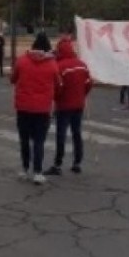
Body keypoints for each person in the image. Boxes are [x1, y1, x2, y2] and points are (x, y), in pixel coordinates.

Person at [11, 32, 61, 185]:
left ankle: (25, 169)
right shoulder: (52, 65)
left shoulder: (21, 61)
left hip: (23, 107)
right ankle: (38, 172)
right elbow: (58, 85)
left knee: (24, 140)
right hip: (42, 109)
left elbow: (13, 79)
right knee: (39, 141)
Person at [44, 36, 92, 176]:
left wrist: (56, 98)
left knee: (61, 135)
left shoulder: (59, 67)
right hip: (79, 105)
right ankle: (77, 162)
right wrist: (83, 94)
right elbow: (88, 83)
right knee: (77, 133)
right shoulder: (82, 64)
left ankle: (58, 164)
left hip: (64, 106)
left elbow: (57, 88)